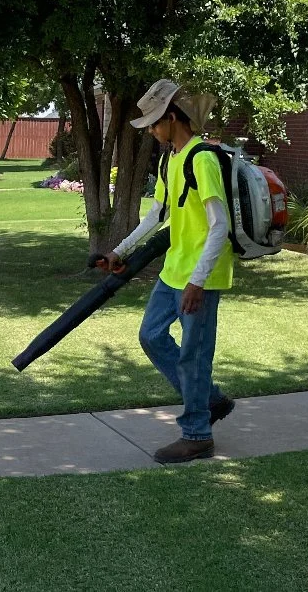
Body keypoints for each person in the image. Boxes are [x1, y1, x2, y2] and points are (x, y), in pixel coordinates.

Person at [105, 79, 235, 464]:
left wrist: (198, 279)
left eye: (154, 123)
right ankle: (207, 399)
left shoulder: (202, 159)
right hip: (173, 270)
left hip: (200, 276)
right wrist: (120, 249)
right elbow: (157, 215)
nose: (151, 130)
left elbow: (219, 226)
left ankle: (197, 434)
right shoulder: (170, 159)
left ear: (173, 117)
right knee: (151, 336)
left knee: (192, 356)